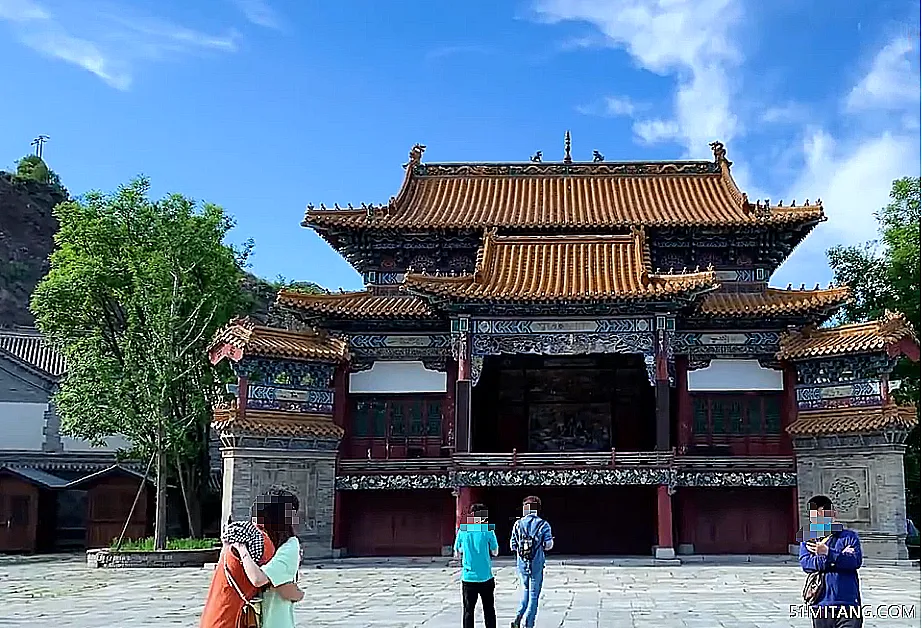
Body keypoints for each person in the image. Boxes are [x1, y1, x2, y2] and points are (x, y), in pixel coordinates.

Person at [234, 489, 304, 628]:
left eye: (259, 520)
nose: (254, 526)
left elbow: (258, 579)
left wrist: (242, 548)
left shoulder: (290, 546)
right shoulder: (262, 545)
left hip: (276, 622)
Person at [799, 494, 863, 628]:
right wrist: (838, 557)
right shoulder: (809, 539)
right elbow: (807, 565)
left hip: (849, 603)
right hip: (821, 603)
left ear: (833, 515)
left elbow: (855, 561)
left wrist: (827, 552)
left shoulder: (849, 537)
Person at [510, 495, 554, 628]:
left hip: (522, 564)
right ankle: (528, 624)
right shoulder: (543, 524)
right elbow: (548, 545)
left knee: (525, 591)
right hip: (536, 563)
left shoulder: (517, 524)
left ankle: (519, 615)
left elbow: (513, 545)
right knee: (534, 596)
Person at [454, 503, 499, 628]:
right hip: (486, 576)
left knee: (468, 611)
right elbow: (495, 552)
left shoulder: (463, 529)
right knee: (489, 609)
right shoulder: (488, 529)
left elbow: (457, 552)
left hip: (468, 577)